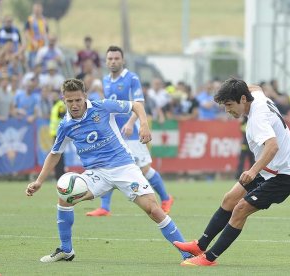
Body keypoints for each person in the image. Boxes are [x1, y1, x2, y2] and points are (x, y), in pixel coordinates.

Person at [25, 78, 191, 263]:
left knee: (153, 210)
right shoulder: (65, 125)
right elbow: (54, 154)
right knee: (65, 196)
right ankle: (66, 250)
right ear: (64, 100)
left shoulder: (102, 106)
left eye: (78, 100)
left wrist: (143, 124)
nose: (74, 105)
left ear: (85, 97)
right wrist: (39, 181)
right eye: (70, 101)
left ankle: (187, 252)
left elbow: (136, 105)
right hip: (96, 173)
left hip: (123, 167)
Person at [174, 78, 290, 266]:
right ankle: (199, 246)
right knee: (230, 199)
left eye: (229, 105)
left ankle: (209, 259)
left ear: (242, 99)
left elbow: (272, 146)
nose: (227, 110)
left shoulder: (257, 117)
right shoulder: (254, 96)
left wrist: (252, 170)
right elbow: (255, 87)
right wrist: (230, 86)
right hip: (269, 169)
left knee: (240, 209)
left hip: (283, 176)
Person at [86, 46, 173, 217]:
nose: (113, 61)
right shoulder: (105, 80)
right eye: (110, 58)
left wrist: (132, 122)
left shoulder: (131, 78)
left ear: (123, 60)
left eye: (116, 58)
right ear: (106, 61)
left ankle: (165, 198)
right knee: (108, 166)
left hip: (130, 133)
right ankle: (105, 207)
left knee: (144, 169)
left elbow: (139, 101)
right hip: (113, 134)